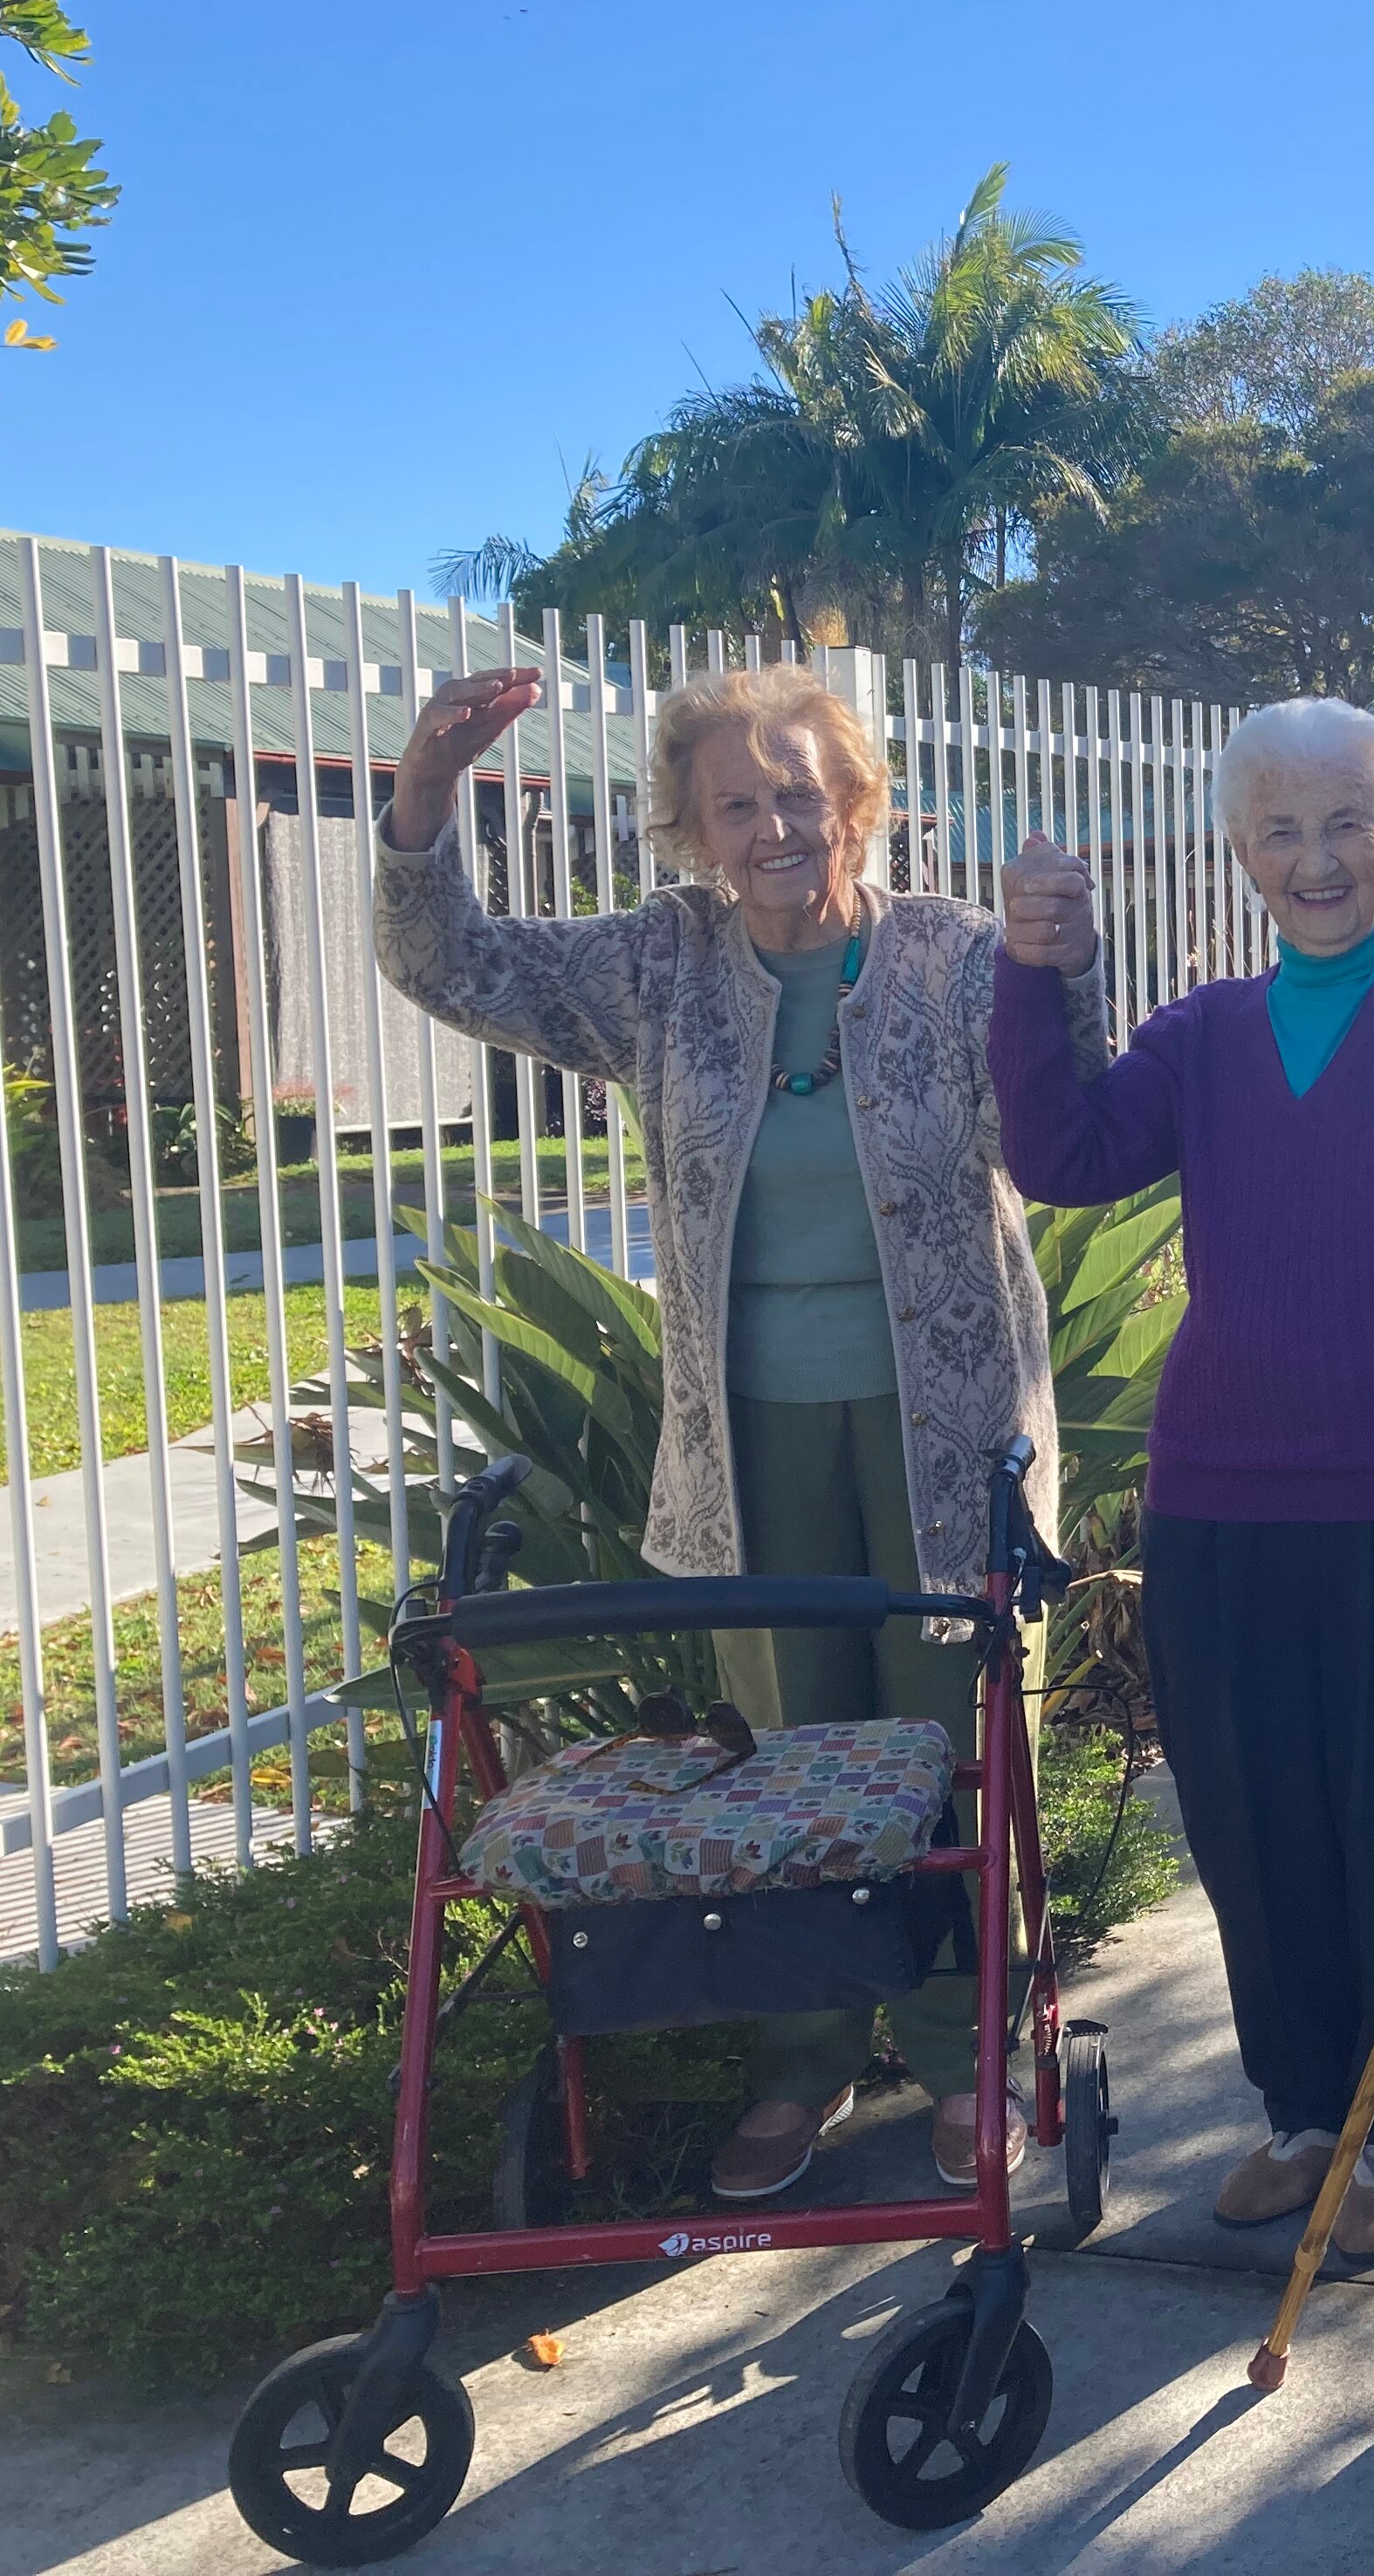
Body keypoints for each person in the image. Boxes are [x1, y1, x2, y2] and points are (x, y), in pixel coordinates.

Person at [376, 659, 1060, 2202]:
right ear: (690, 828)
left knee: (947, 1747)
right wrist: (425, 798)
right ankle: (805, 2059)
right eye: (736, 802)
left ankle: (968, 2052)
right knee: (791, 1760)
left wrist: (1055, 973)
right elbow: (456, 964)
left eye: (799, 794)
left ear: (858, 802)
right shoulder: (660, 967)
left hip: (942, 1428)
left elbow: (1062, 1122)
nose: (773, 826)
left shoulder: (955, 958)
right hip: (748, 1439)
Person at [987, 611, 1374, 2263]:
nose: (1316, 855)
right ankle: (1303, 2109)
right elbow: (1058, 1152)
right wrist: (1032, 973)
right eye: (1281, 829)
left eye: (1348, 822)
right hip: (1232, 1498)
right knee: (1258, 1814)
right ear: (1243, 853)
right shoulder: (1200, 1037)